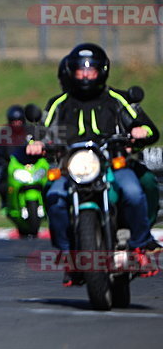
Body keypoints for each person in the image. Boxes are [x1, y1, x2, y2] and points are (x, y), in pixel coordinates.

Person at [26, 43, 161, 284]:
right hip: (72, 168)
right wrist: (36, 142)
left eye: (91, 69)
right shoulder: (59, 103)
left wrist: (140, 130)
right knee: (54, 196)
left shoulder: (116, 99)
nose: (86, 74)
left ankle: (140, 247)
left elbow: (147, 127)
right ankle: (68, 254)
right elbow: (42, 130)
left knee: (133, 192)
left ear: (103, 71)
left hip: (112, 164)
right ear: (71, 72)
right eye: (80, 70)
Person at [0, 105, 28, 211]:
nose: (17, 123)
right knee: (2, 186)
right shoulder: (2, 135)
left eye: (19, 121)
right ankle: (6, 204)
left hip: (31, 166)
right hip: (12, 168)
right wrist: (4, 164)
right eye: (14, 121)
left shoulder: (32, 131)